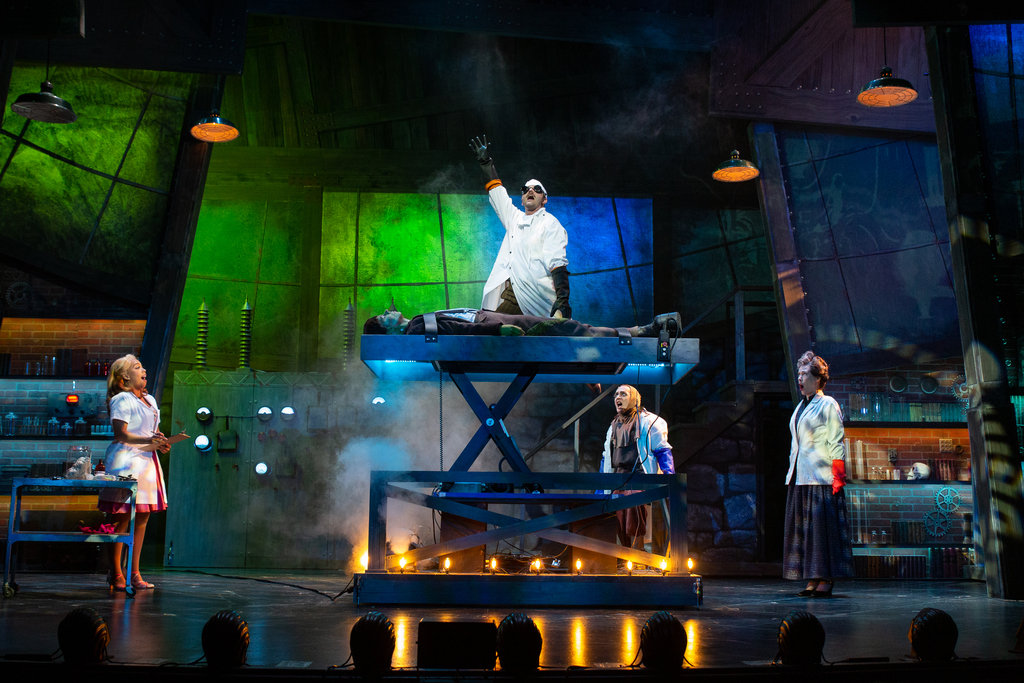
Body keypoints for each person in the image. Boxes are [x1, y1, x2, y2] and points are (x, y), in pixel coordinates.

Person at [469, 135, 571, 319]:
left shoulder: (550, 223)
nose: (530, 190)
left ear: (544, 199)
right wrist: (486, 164)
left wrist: (563, 301)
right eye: (526, 189)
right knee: (491, 327)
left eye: (537, 189)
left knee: (494, 329)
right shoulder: (514, 219)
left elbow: (557, 263)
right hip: (514, 295)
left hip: (539, 298)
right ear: (522, 199)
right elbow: (498, 194)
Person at [783, 351, 854, 597]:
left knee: (821, 532)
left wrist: (838, 475)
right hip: (800, 476)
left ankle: (826, 578)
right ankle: (813, 577)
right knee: (807, 531)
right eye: (799, 374)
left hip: (821, 477)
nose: (800, 379)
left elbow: (836, 440)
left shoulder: (828, 404)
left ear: (817, 379)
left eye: (804, 374)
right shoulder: (800, 407)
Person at [98, 355, 169, 591]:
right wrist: (150, 440)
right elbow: (121, 434)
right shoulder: (122, 399)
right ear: (124, 378)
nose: (143, 369)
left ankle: (134, 571)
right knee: (122, 517)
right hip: (126, 461)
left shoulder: (150, 400)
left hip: (146, 461)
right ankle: (116, 572)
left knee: (142, 517)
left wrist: (160, 441)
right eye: (137, 367)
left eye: (142, 365)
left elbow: (152, 432)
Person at [600, 385, 675, 550]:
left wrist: (669, 478)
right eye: (616, 395)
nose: (618, 398)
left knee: (633, 500)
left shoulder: (650, 422)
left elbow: (663, 450)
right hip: (619, 477)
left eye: (623, 394)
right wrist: (601, 487)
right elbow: (606, 458)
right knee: (613, 508)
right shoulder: (613, 427)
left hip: (641, 476)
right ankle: (622, 552)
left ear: (634, 399)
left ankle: (637, 549)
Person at [363, 307, 671, 338]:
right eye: (383, 316)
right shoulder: (417, 329)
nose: (388, 311)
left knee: (561, 327)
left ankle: (633, 331)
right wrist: (497, 329)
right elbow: (460, 329)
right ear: (387, 329)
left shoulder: (417, 324)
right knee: (564, 328)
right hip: (489, 322)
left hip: (487, 316)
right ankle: (637, 332)